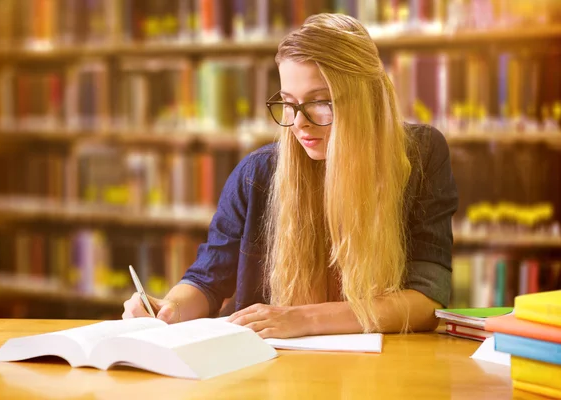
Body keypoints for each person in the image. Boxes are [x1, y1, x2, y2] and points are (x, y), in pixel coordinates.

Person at [123, 13, 458, 338]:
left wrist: (304, 319)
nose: (298, 122)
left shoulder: (420, 155)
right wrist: (170, 310)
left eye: (319, 102)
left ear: (366, 101)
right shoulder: (257, 174)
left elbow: (427, 301)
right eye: (288, 103)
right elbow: (207, 280)